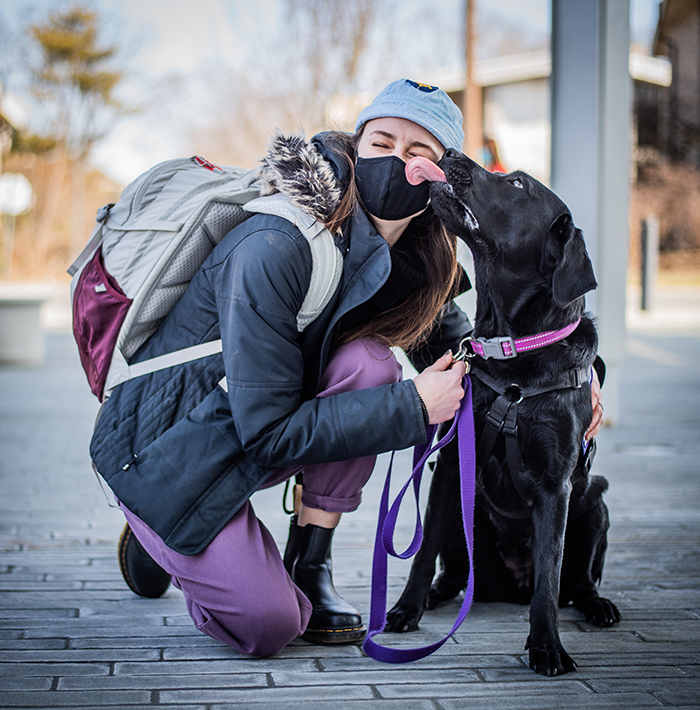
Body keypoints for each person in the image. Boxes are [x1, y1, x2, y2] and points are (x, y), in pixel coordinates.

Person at [90, 78, 604, 658]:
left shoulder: (412, 259)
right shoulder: (277, 242)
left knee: (370, 364)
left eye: (418, 153)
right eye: (382, 141)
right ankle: (158, 525)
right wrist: (413, 407)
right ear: (354, 143)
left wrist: (578, 373)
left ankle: (309, 560)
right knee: (268, 625)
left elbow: (464, 344)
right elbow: (266, 432)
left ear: (439, 176)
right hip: (161, 450)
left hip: (235, 433)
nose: (394, 161)